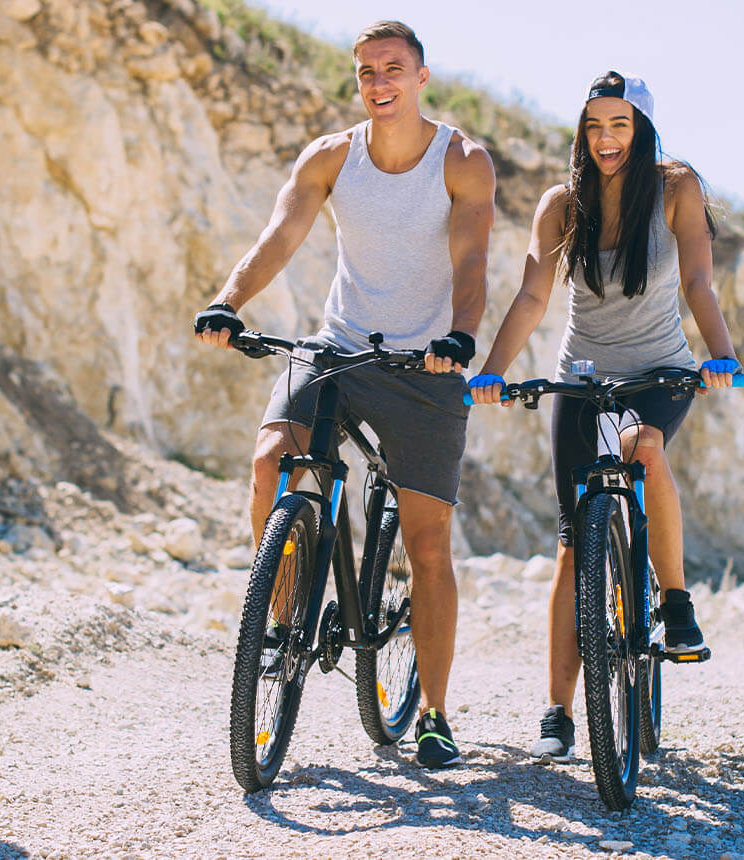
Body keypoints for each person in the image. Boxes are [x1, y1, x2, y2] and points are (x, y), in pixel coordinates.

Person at [191, 20, 494, 769]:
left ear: (422, 76)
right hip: (337, 348)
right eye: (365, 71)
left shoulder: (462, 161)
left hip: (425, 369)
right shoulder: (331, 156)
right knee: (271, 460)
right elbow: (281, 233)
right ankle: (285, 611)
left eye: (392, 68)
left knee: (427, 545)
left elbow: (473, 257)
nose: (378, 82)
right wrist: (229, 300)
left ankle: (432, 712)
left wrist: (459, 335)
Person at [468, 72, 740, 760]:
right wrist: (494, 369)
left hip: (660, 372)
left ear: (641, 129)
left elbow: (698, 281)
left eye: (619, 125)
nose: (606, 139)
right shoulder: (563, 203)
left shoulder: (677, 189)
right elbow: (533, 296)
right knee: (570, 544)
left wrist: (721, 355)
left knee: (645, 444)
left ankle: (675, 606)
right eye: (594, 126)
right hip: (584, 376)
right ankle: (557, 711)